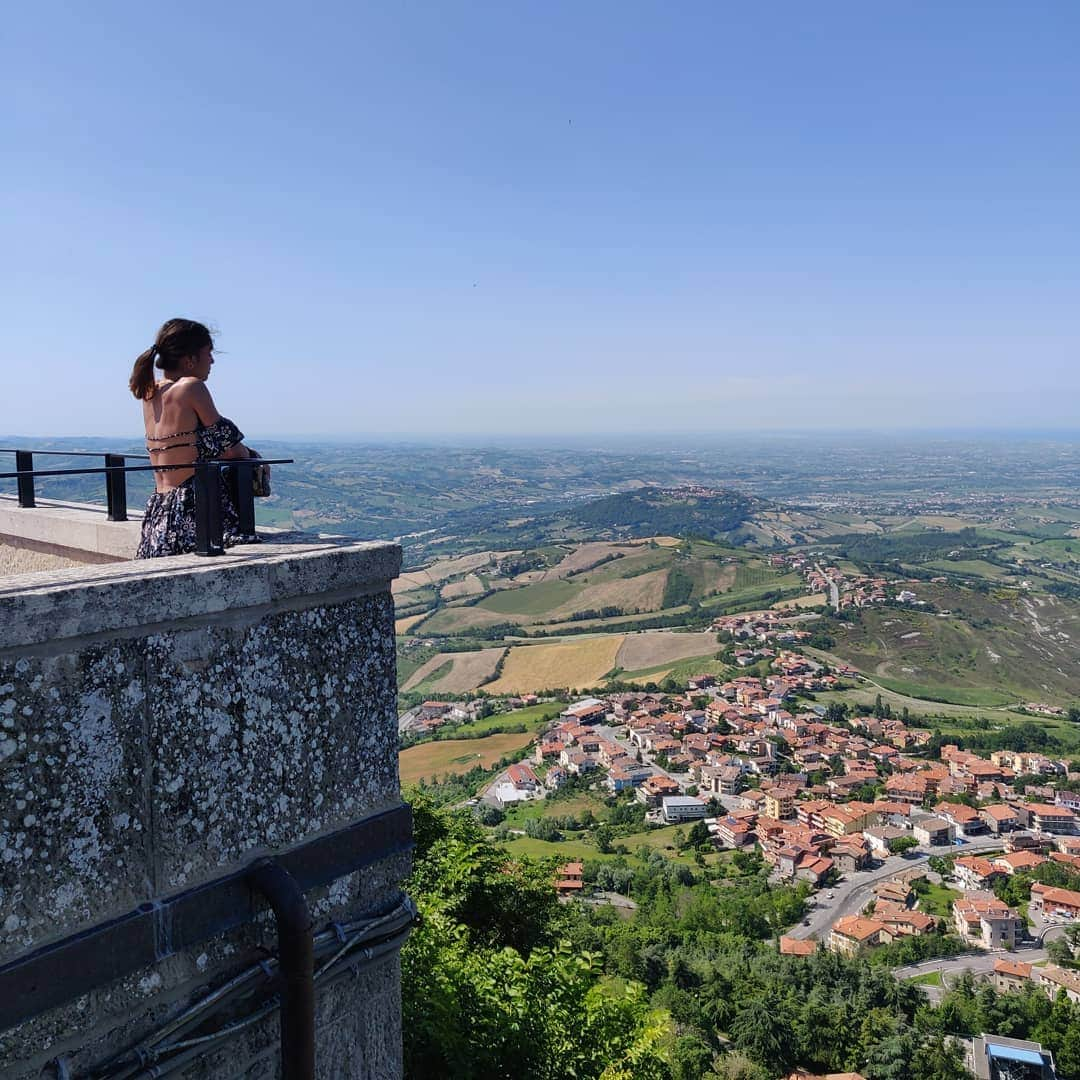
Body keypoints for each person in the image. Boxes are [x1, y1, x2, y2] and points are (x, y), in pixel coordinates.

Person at [129, 318, 259, 558]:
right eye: (208, 353)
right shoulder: (191, 387)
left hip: (161, 509)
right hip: (194, 507)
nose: (212, 360)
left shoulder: (150, 392)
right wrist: (252, 458)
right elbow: (229, 448)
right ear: (190, 360)